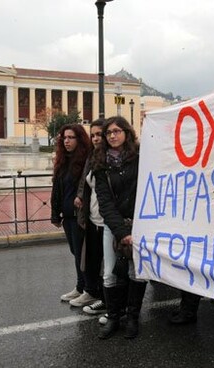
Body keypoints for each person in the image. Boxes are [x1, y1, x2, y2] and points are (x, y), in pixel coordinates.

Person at [93, 116, 147, 339]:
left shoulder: (142, 158)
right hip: (113, 226)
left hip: (140, 224)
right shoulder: (101, 165)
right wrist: (121, 232)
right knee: (109, 274)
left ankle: (132, 317)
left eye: (117, 131)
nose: (112, 136)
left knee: (138, 273)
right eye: (109, 133)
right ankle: (114, 316)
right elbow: (104, 202)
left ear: (127, 132)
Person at [51, 124, 94, 305]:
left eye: (70, 138)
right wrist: (55, 213)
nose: (66, 141)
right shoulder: (62, 160)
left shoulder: (85, 160)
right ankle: (81, 287)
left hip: (80, 215)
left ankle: (85, 288)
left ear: (80, 139)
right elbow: (57, 189)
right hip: (67, 214)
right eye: (64, 138)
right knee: (74, 252)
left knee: (80, 253)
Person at [72, 119, 106, 311]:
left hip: (107, 220)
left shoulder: (111, 158)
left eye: (99, 134)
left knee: (106, 264)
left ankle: (107, 300)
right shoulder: (92, 157)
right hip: (92, 217)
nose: (95, 138)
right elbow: (85, 182)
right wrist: (80, 196)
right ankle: (94, 292)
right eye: (92, 135)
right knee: (92, 260)